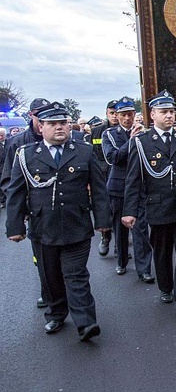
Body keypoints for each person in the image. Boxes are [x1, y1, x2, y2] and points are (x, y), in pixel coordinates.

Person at [5, 101, 111, 341]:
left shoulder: (83, 150)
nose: (59, 128)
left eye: (63, 123)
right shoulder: (27, 155)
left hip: (77, 224)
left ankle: (86, 322)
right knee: (50, 275)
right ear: (41, 127)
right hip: (43, 227)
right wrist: (15, 227)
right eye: (52, 124)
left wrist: (103, 221)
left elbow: (99, 188)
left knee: (76, 275)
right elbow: (16, 192)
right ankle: (56, 313)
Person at [121, 90, 176, 318]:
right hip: (158, 207)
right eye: (164, 112)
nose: (169, 116)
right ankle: (166, 287)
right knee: (161, 253)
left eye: (172, 112)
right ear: (153, 115)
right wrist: (129, 211)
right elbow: (133, 180)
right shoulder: (141, 143)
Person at [1, 98, 52, 309]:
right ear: (31, 115)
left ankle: (66, 292)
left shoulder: (62, 138)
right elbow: (9, 181)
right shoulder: (17, 142)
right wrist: (20, 207)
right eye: (39, 113)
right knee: (41, 254)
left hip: (61, 206)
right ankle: (48, 291)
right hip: (36, 209)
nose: (43, 118)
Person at [101, 96, 154, 282]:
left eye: (130, 114)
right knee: (120, 228)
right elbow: (113, 157)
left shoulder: (143, 132)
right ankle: (122, 261)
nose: (127, 119)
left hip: (139, 188)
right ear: (117, 115)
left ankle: (144, 269)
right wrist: (131, 141)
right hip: (118, 187)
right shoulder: (109, 134)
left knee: (140, 229)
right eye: (123, 115)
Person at [88, 100, 119, 256]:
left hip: (120, 176)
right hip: (102, 177)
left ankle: (120, 246)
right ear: (107, 113)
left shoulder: (125, 131)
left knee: (120, 210)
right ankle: (105, 238)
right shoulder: (97, 131)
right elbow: (91, 157)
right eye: (111, 113)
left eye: (116, 112)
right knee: (104, 209)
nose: (114, 116)